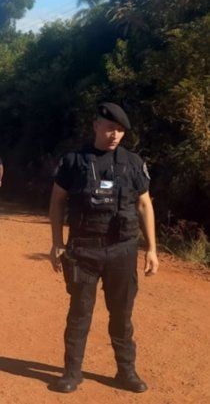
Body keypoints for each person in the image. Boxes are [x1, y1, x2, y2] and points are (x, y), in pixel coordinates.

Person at [48, 102, 159, 393]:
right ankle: (72, 373)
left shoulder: (133, 163)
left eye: (120, 130)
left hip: (122, 251)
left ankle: (126, 372)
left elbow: (145, 204)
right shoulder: (74, 161)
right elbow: (57, 201)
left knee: (121, 316)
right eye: (110, 128)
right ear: (96, 125)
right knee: (80, 314)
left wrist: (151, 249)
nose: (115, 135)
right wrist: (57, 243)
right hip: (83, 251)